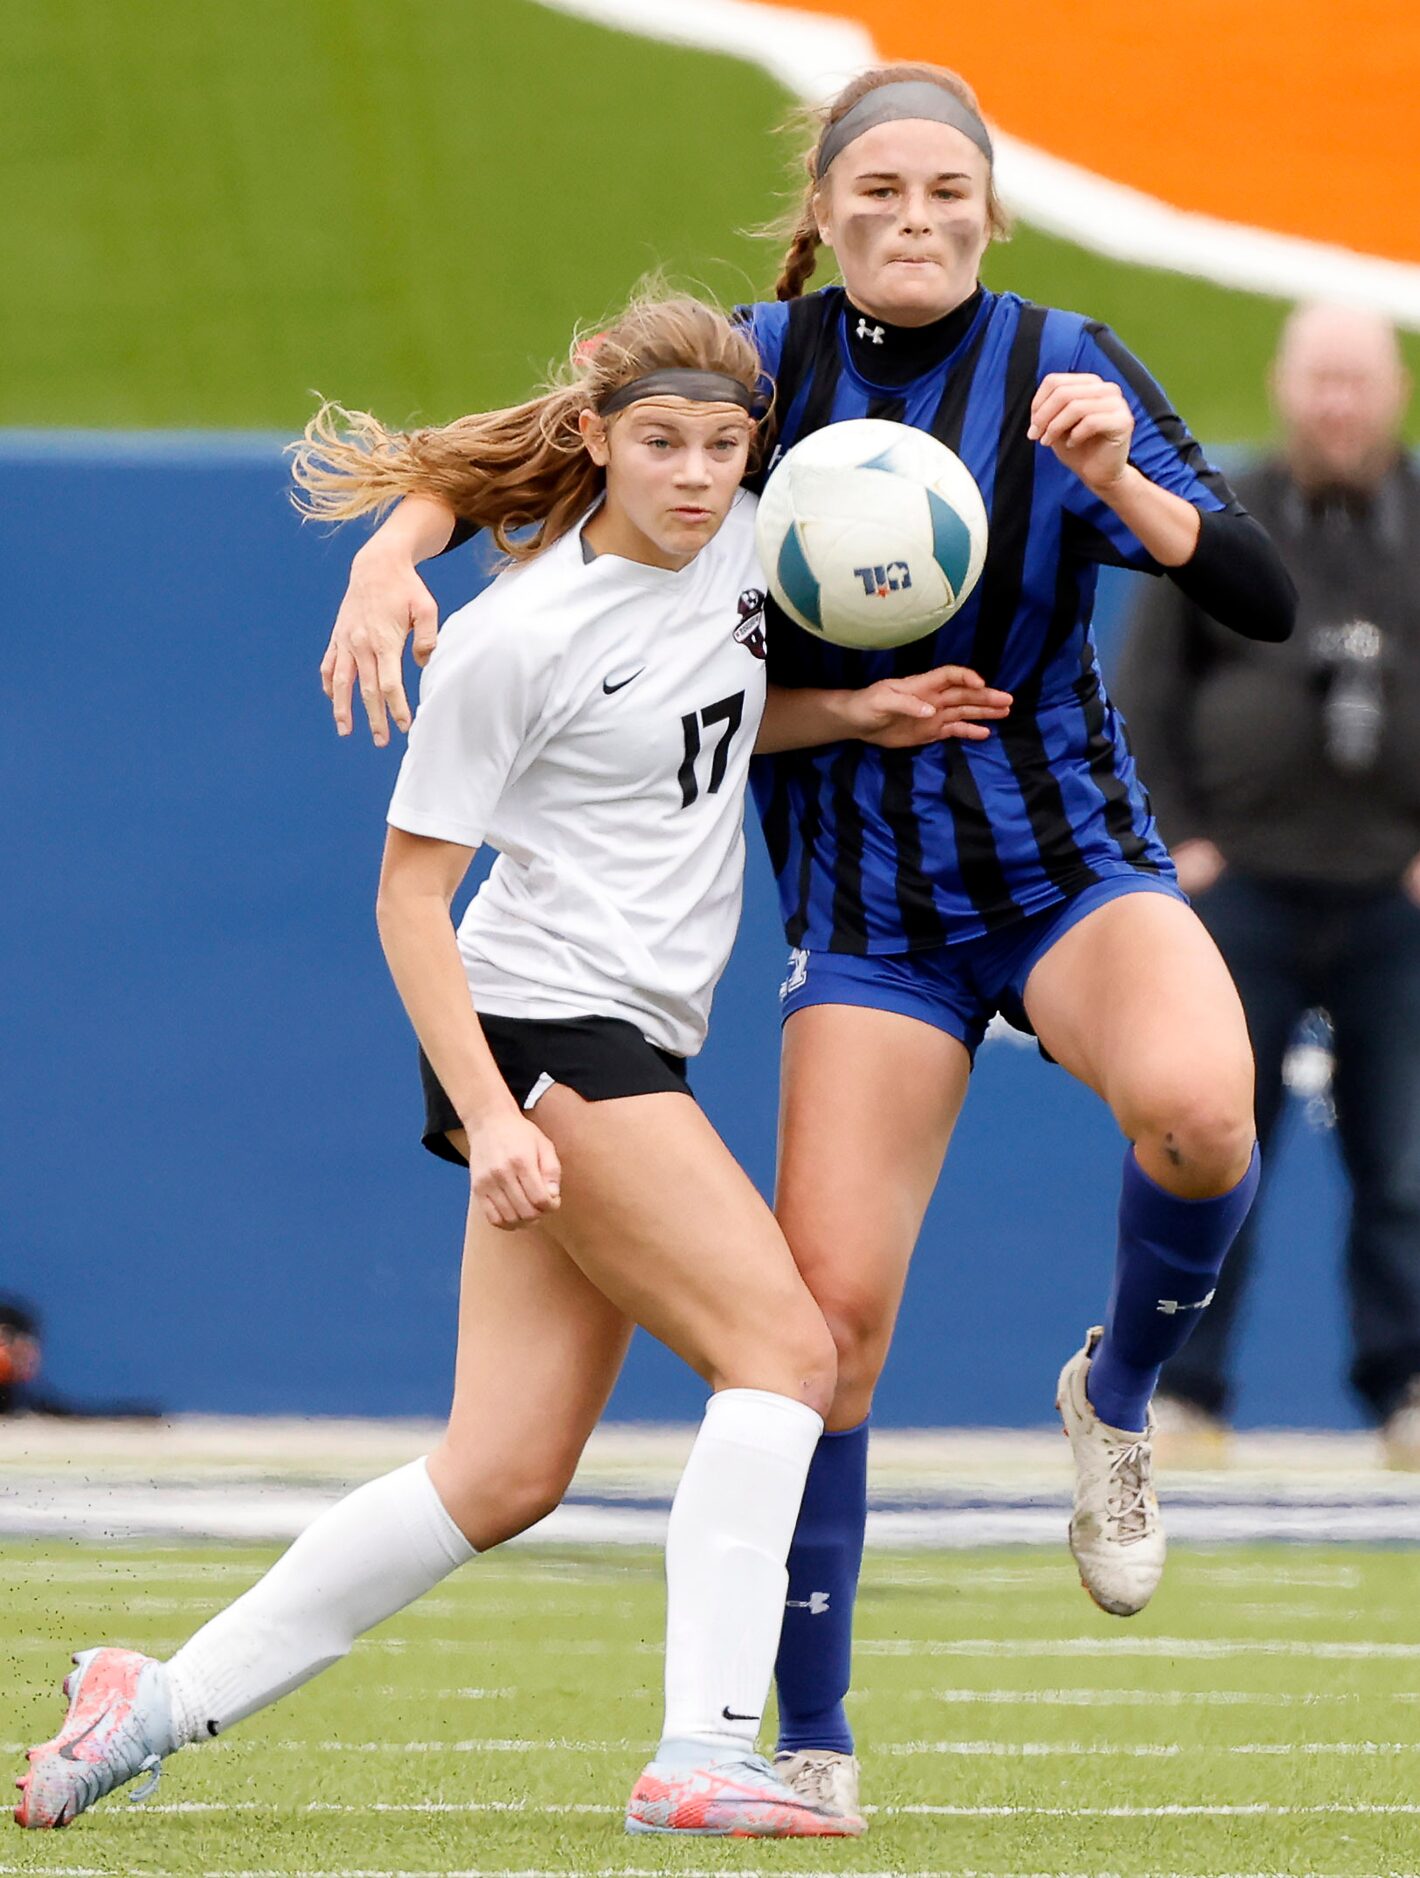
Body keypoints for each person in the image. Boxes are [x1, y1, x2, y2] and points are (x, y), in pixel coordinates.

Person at [310, 63, 1297, 1821]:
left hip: (1068, 865)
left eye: (946, 192)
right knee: (823, 1332)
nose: (913, 218)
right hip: (872, 916)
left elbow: (1259, 591)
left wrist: (1119, 478)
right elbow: (521, 449)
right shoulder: (761, 366)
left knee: (1208, 1107)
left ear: (993, 211)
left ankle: (1119, 1394)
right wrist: (393, 552)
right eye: (879, 191)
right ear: (826, 210)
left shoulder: (1064, 360)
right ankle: (813, 1735)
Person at [14, 293, 1007, 1840]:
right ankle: (702, 1747)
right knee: (790, 1354)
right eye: (661, 442)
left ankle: (146, 1699)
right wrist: (490, 1116)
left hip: (617, 1038)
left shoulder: (751, 541)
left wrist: (850, 711)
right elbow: (411, 900)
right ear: (598, 440)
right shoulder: (511, 634)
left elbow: (700, 723)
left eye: (723, 445)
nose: (695, 473)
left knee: (501, 1470)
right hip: (546, 1033)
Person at [1116, 302, 1420, 1468]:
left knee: (1401, 1165)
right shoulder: (1223, 513)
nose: (1336, 405)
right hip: (1239, 896)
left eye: (1357, 381)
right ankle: (1181, 1389)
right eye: (1318, 382)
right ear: (1286, 388)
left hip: (1390, 900)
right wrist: (1183, 844)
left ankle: (1404, 1389)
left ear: (1390, 388)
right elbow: (1143, 690)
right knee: (1208, 1144)